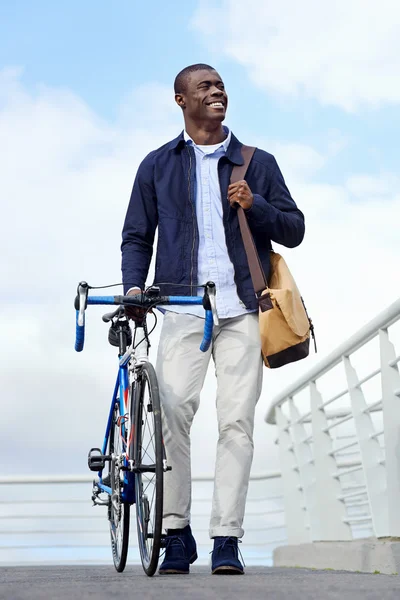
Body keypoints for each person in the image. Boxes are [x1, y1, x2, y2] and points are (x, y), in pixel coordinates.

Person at [121, 63, 305, 575]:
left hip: (245, 309)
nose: (216, 91)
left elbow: (294, 229)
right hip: (181, 309)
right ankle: (175, 530)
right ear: (181, 100)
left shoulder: (256, 162)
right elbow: (137, 236)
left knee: (237, 424)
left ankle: (227, 537)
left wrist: (258, 205)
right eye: (204, 86)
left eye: (220, 84)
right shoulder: (157, 165)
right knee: (172, 413)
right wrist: (136, 287)